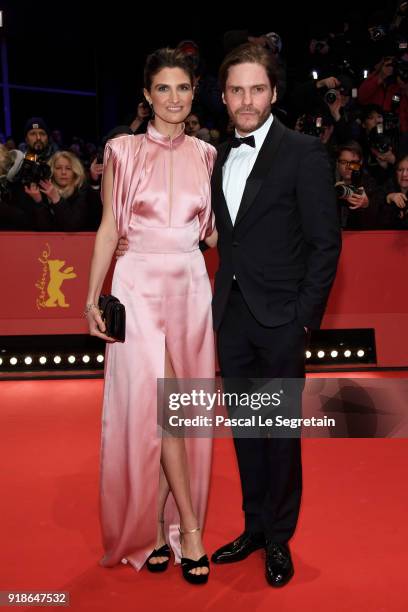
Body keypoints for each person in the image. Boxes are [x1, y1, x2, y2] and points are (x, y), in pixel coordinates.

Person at [210, 43, 341, 586]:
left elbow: (325, 244)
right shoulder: (215, 155)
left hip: (282, 320)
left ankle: (280, 539)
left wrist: (304, 319)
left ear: (274, 93)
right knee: (245, 432)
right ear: (223, 96)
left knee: (280, 434)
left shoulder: (304, 152)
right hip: (231, 319)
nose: (246, 100)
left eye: (256, 89)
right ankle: (255, 527)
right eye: (237, 90)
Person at [85, 47, 217, 585]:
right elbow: (108, 230)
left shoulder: (208, 155)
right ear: (146, 94)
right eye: (163, 88)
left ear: (194, 92)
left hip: (190, 284)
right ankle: (189, 529)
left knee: (179, 411)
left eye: (183, 88)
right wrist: (92, 296)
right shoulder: (121, 150)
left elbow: (210, 233)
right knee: (163, 407)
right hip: (137, 283)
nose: (174, 99)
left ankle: (155, 524)